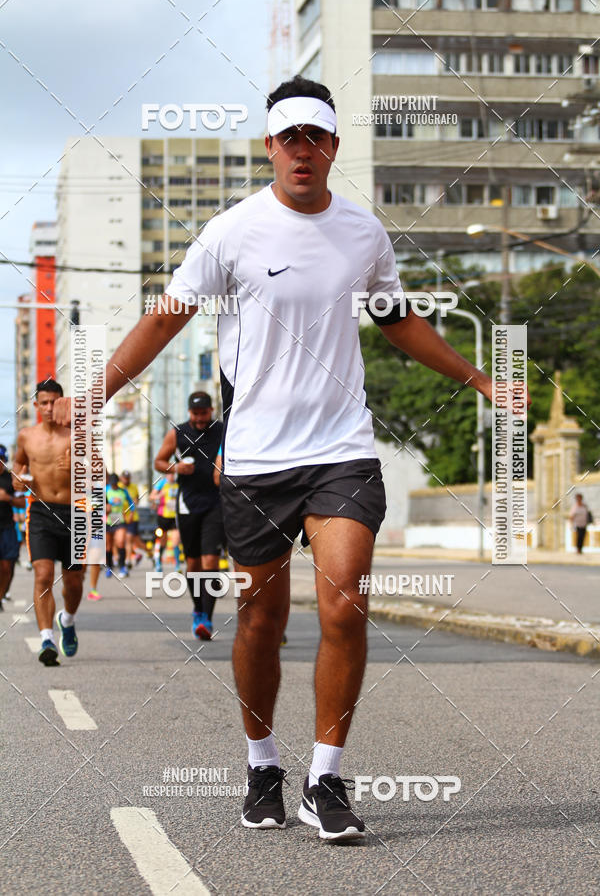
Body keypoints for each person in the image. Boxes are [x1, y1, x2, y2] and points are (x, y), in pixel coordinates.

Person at [53, 75, 526, 840]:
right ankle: (262, 762)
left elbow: (397, 319)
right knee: (261, 618)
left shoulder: (364, 232)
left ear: (334, 146)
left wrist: (476, 377)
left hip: (341, 448)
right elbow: (166, 319)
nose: (303, 151)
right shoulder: (231, 232)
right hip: (257, 458)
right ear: (270, 147)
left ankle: (326, 780)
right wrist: (95, 394)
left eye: (317, 137)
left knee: (344, 604)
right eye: (290, 138)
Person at [13, 380, 83, 666]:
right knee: (42, 575)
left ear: (63, 403)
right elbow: (19, 466)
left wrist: (80, 468)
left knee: (74, 582)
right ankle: (47, 638)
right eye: (44, 402)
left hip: (75, 513)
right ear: (36, 406)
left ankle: (67, 619)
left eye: (55, 401)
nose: (50, 407)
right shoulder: (26, 436)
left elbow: (100, 474)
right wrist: (18, 478)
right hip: (40, 512)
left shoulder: (77, 436)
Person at [153, 392, 224, 640]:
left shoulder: (222, 430)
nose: (200, 418)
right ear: (189, 413)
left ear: (211, 410)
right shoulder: (178, 432)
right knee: (193, 563)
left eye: (204, 413)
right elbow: (159, 461)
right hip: (187, 505)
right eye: (195, 414)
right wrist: (176, 468)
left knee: (211, 562)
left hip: (216, 503)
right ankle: (198, 610)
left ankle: (207, 618)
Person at [0, 445, 25, 611]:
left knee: (7, 566)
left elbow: (23, 502)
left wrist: (7, 497)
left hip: (7, 527)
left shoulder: (11, 479)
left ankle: (1, 596)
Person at [149, 471, 181, 572]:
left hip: (175, 516)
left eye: (173, 473)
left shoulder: (178, 483)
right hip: (163, 516)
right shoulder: (162, 483)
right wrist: (159, 496)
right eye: (170, 473)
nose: (172, 475)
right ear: (166, 474)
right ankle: (158, 562)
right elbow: (151, 497)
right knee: (163, 541)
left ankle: (177, 566)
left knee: (176, 541)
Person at [106, 473, 134, 578]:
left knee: (121, 542)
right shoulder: (105, 490)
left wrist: (131, 514)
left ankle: (122, 567)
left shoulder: (123, 491)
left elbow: (131, 503)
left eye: (115, 484)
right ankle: (109, 567)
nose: (113, 485)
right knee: (108, 546)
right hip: (107, 521)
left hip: (119, 520)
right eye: (111, 484)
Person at [120, 471, 145, 568]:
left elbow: (136, 501)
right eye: (124, 478)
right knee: (125, 540)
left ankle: (128, 560)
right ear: (121, 478)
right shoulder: (117, 486)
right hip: (121, 517)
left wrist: (134, 505)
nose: (126, 480)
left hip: (133, 517)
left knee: (130, 539)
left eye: (128, 478)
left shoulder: (134, 487)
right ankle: (132, 556)